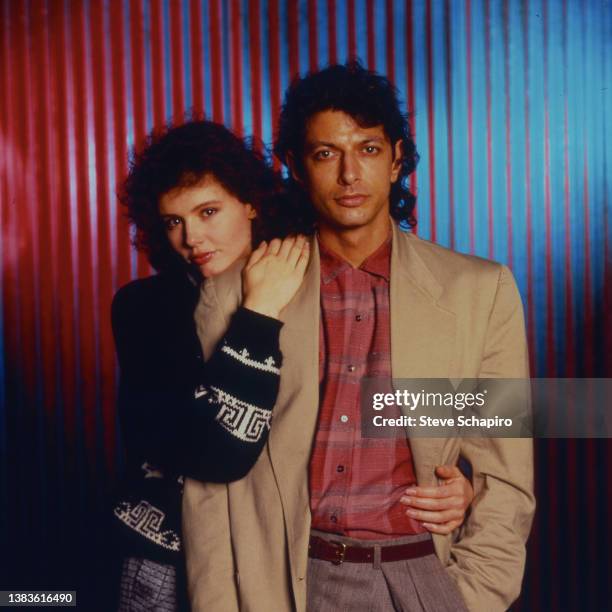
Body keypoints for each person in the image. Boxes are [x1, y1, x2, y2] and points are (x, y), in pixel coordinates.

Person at [183, 63, 535, 612]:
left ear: (396, 159)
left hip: (424, 578)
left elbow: (504, 476)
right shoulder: (233, 294)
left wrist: (471, 598)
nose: (350, 175)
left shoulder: (479, 291)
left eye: (368, 150)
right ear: (298, 168)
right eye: (326, 154)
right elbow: (209, 488)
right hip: (289, 583)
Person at [111, 120, 309, 611]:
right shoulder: (145, 307)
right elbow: (214, 454)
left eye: (208, 211)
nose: (191, 237)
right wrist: (258, 316)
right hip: (162, 558)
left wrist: (446, 472)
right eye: (173, 221)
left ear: (251, 203)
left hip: (282, 559)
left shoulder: (311, 284)